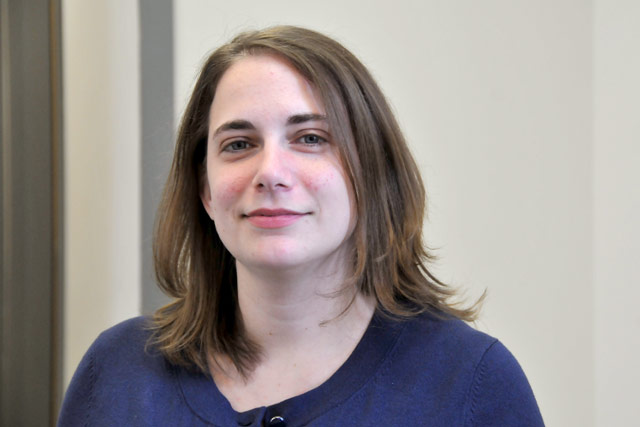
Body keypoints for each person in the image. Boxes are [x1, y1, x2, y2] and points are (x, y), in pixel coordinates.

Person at [58, 26, 544, 426]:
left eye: (310, 138)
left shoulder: (471, 385)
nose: (270, 172)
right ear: (205, 190)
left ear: (369, 174)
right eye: (238, 144)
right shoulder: (118, 372)